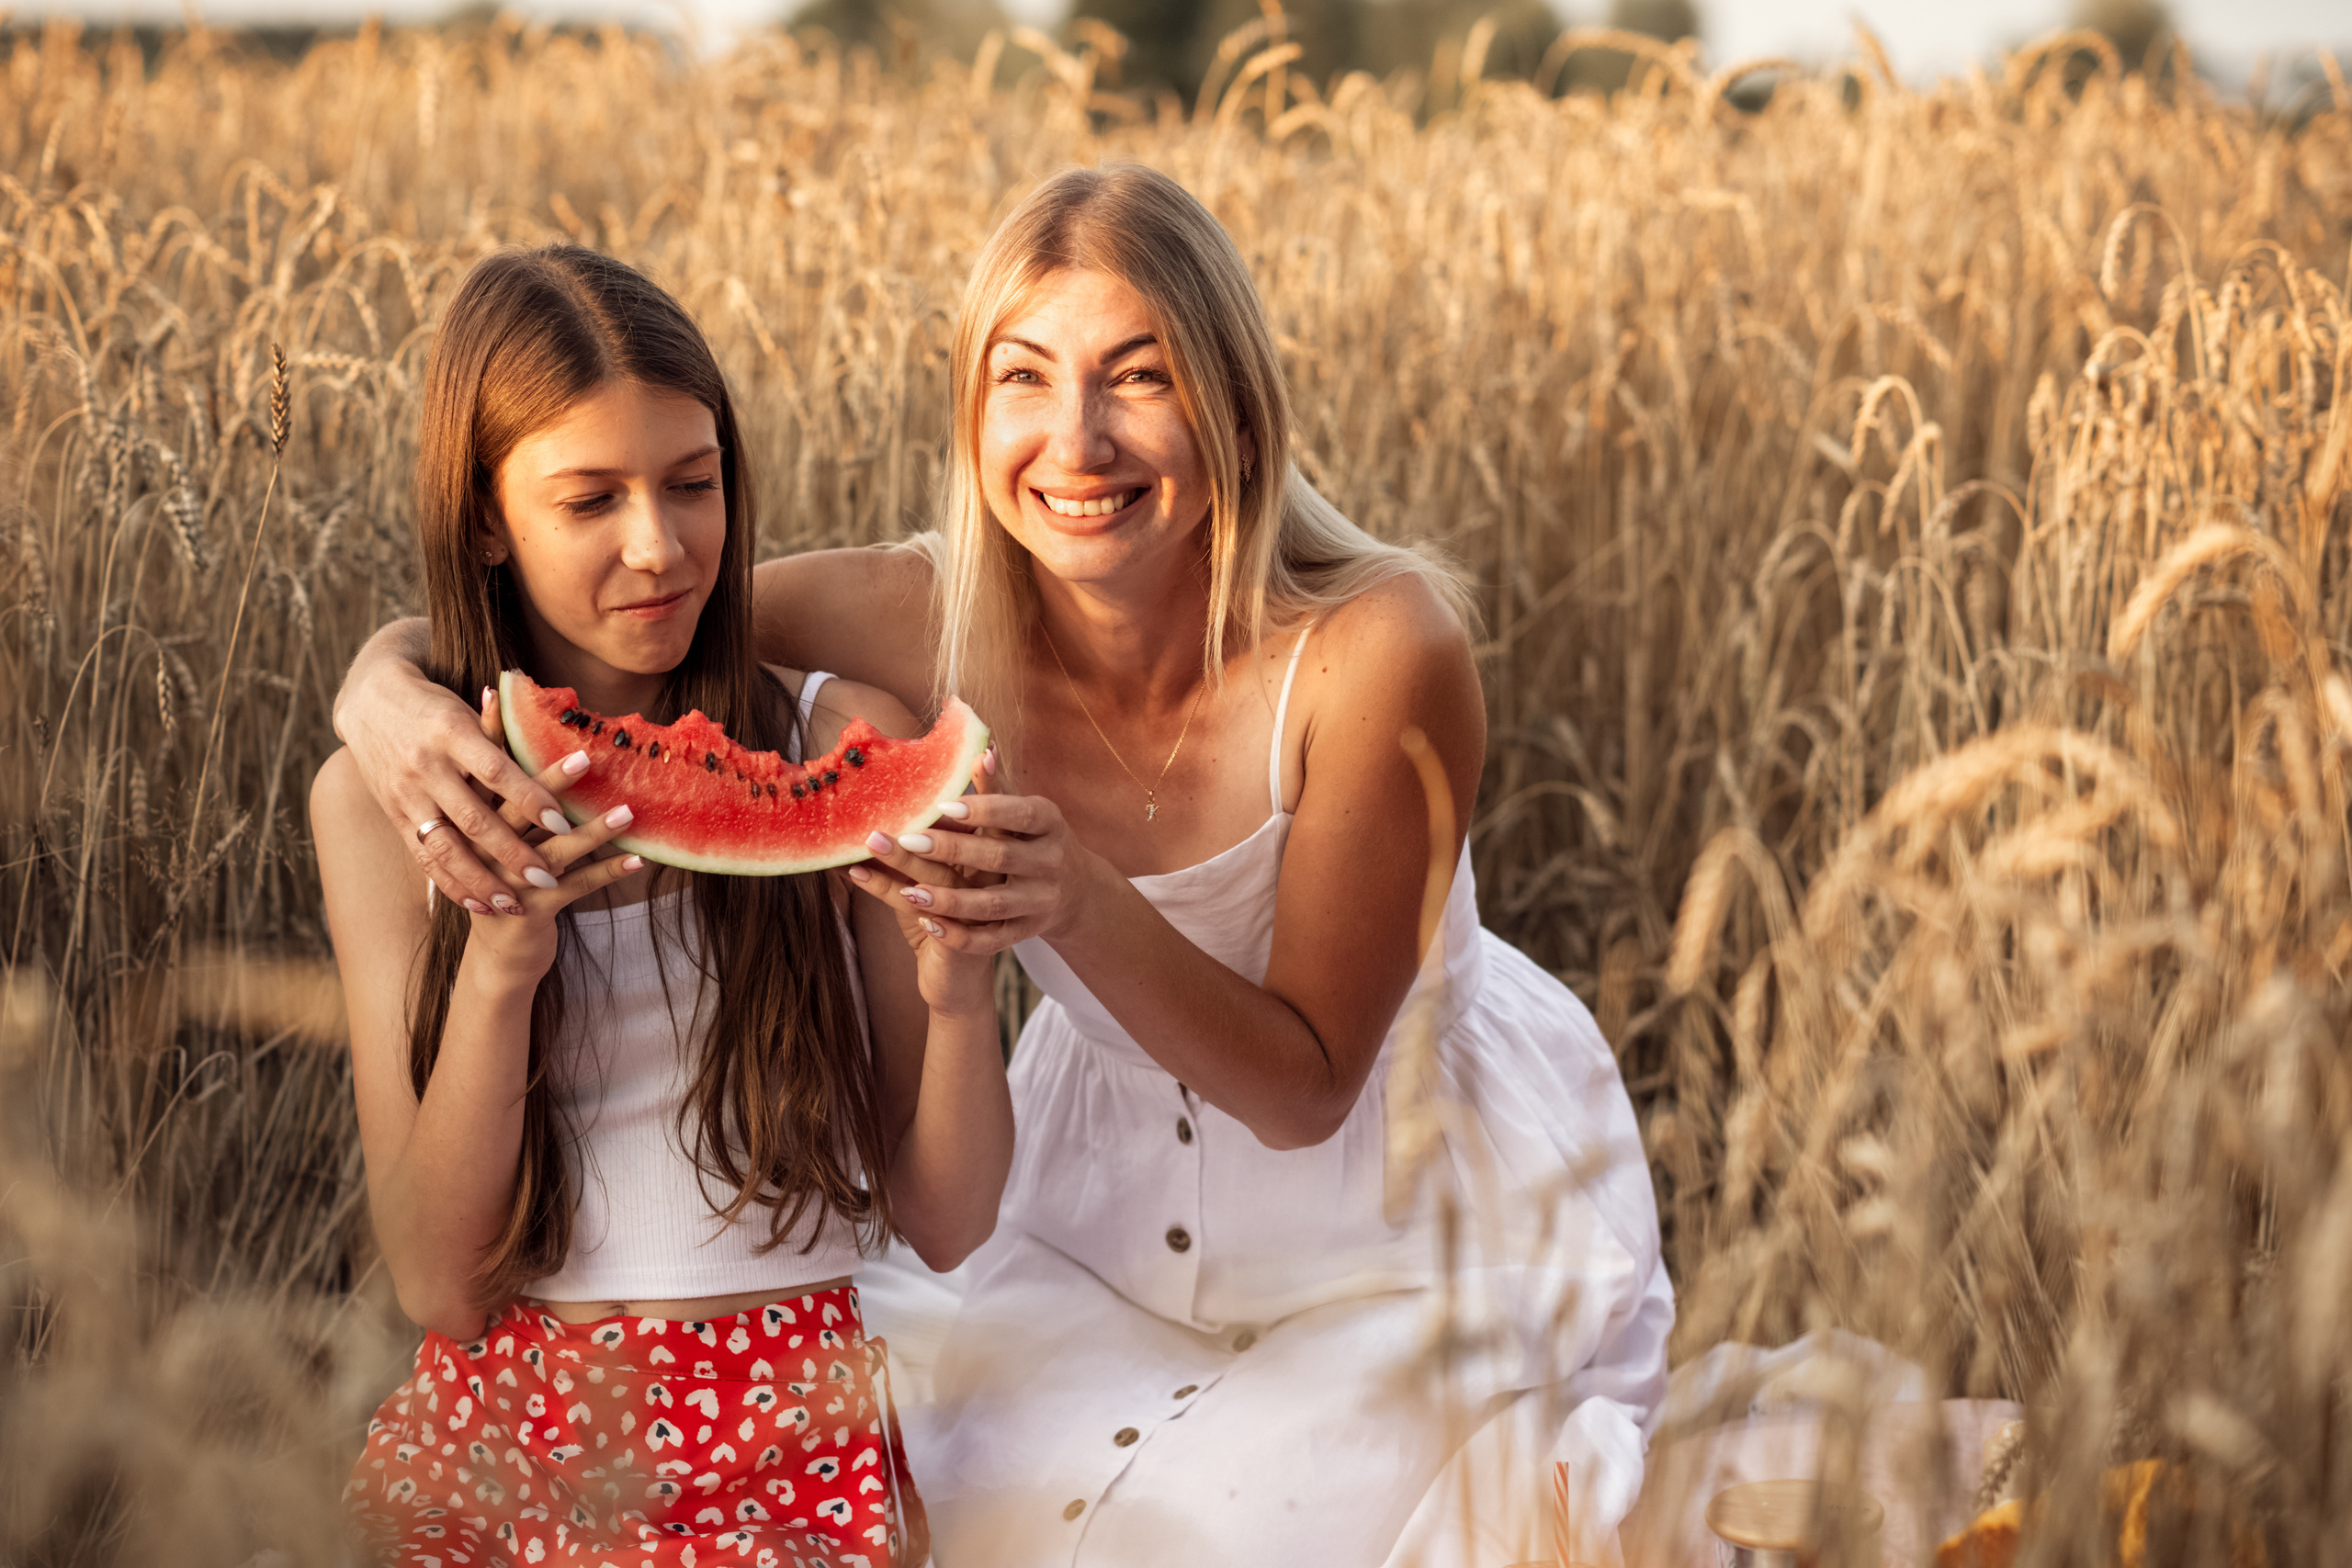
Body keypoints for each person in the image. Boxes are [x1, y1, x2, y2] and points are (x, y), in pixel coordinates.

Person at [333, 167, 1672, 1566]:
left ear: (1234, 401)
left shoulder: (1383, 651)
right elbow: (620, 622)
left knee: (1224, 1538)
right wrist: (375, 697)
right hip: (1094, 1213)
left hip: (1403, 1220)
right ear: (976, 415)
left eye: (1136, 377)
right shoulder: (930, 615)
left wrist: (1072, 903)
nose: (1076, 441)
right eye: (1024, 379)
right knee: (995, 1530)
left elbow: (1311, 1083)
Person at [311, 246, 1012, 1568]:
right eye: (591, 500)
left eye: (696, 485)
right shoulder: (378, 800)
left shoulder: (841, 739)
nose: (660, 544)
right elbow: (438, 1284)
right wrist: (504, 966)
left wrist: (963, 985)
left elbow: (952, 1216)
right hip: (501, 1440)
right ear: (482, 519)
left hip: (791, 1446)